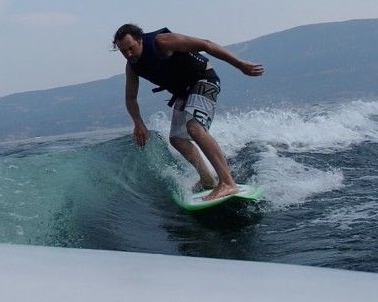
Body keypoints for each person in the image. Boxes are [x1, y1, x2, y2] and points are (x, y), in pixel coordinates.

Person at [112, 24, 264, 201]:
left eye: (131, 48)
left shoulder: (162, 42)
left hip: (204, 80)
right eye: (124, 51)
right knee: (177, 139)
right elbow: (130, 98)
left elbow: (206, 44)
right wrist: (138, 123)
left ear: (139, 40)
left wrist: (240, 64)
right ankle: (208, 180)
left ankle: (228, 183)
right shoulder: (132, 67)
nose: (129, 54)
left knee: (194, 128)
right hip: (184, 92)